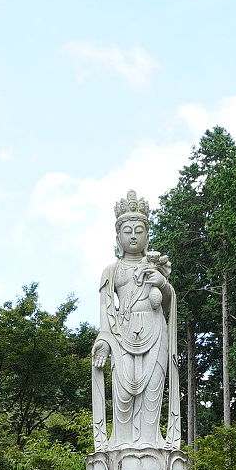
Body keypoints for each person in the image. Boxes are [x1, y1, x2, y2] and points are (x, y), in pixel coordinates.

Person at [93, 191, 176, 448]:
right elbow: (106, 310)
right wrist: (104, 340)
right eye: (127, 231)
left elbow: (170, 301)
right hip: (122, 332)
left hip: (154, 328)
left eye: (139, 230)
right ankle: (122, 444)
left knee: (153, 390)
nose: (133, 236)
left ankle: (150, 444)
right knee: (124, 392)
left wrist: (162, 282)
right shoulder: (112, 271)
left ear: (147, 236)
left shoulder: (158, 267)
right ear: (118, 237)